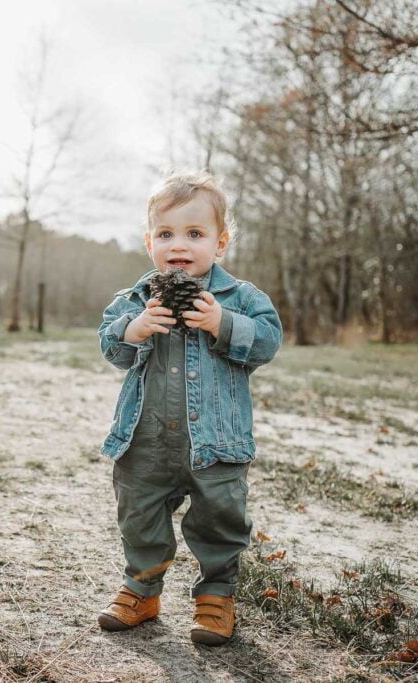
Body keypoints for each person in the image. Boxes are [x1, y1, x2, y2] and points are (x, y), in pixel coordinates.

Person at [95, 172, 282, 645]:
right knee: (138, 515)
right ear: (149, 242)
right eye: (166, 234)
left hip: (216, 442)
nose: (179, 244)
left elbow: (267, 343)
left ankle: (216, 596)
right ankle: (141, 589)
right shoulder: (134, 300)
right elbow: (110, 347)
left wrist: (223, 323)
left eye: (194, 234)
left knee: (220, 519)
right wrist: (131, 331)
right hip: (146, 441)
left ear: (219, 244)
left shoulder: (241, 299)